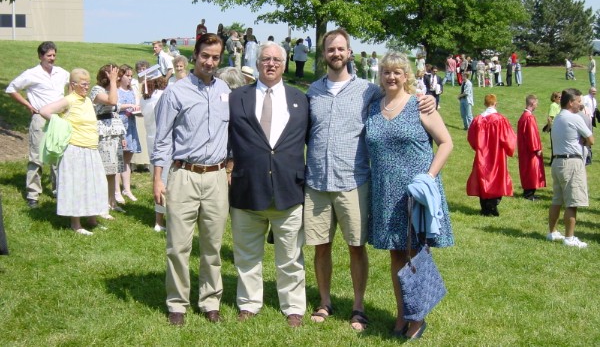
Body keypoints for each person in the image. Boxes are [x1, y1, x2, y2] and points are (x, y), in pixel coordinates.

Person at [304, 27, 435, 331]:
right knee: (321, 246)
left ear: (349, 53)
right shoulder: (312, 92)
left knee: (356, 247)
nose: (336, 54)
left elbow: (399, 93)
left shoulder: (367, 90)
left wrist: (425, 99)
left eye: (341, 49)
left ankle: (359, 307)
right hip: (317, 182)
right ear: (324, 54)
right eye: (330, 49)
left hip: (355, 180)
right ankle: (324, 302)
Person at [365, 52, 454, 340]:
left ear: (407, 76)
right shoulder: (373, 107)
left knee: (415, 254)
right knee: (396, 254)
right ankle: (402, 313)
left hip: (414, 191)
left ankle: (418, 318)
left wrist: (429, 177)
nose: (391, 77)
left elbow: (446, 143)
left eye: (397, 72)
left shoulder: (420, 105)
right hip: (385, 192)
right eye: (386, 72)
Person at [151, 33, 230, 326]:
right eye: (205, 56)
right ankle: (177, 304)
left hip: (216, 177)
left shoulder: (225, 90)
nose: (210, 62)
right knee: (177, 245)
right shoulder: (176, 92)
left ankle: (211, 301)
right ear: (195, 55)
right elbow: (162, 140)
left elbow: (230, 134)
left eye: (215, 57)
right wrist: (158, 179)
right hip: (183, 174)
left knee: (213, 245)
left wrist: (230, 169)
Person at [228, 42, 309, 327]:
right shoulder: (237, 97)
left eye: (276, 59)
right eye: (265, 59)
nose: (271, 64)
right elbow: (226, 137)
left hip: (289, 191)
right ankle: (249, 303)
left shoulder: (301, 99)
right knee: (247, 255)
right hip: (246, 189)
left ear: (284, 65)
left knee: (290, 257)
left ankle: (294, 307)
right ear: (258, 62)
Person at [39, 68, 108, 234]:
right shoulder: (69, 100)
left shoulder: (86, 100)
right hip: (75, 149)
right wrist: (61, 124)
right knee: (76, 185)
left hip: (91, 148)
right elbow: (44, 111)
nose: (86, 87)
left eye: (88, 84)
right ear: (73, 85)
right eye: (83, 85)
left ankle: (92, 218)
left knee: (94, 184)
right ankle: (76, 223)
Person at [5, 41, 70, 208]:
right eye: (49, 55)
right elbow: (11, 88)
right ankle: (33, 194)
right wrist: (28, 105)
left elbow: (72, 83)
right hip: (40, 117)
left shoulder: (61, 73)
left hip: (58, 118)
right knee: (37, 156)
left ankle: (59, 191)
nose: (52, 58)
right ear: (40, 56)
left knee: (58, 155)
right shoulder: (31, 73)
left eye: (54, 55)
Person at [547, 89, 594, 248]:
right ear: (570, 102)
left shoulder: (559, 117)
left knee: (557, 200)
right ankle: (569, 238)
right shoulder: (574, 118)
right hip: (571, 162)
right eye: (578, 101)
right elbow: (591, 139)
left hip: (557, 162)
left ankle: (552, 233)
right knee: (572, 202)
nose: (580, 104)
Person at [467, 94, 516, 216]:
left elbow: (471, 138)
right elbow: (508, 138)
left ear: (485, 103)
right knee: (497, 178)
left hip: (482, 155)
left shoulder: (477, 120)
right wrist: (509, 149)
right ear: (495, 103)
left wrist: (478, 147)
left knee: (482, 178)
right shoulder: (500, 120)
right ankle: (493, 205)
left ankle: (485, 207)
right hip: (497, 154)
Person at [90, 64, 126, 218]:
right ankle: (101, 204)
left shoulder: (112, 89)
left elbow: (116, 111)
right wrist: (113, 82)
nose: (118, 78)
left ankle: (112, 202)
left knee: (113, 171)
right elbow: (112, 101)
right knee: (104, 171)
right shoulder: (96, 90)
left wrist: (122, 136)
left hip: (114, 132)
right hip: (103, 134)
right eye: (115, 75)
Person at [140, 76, 168, 232]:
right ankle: (160, 220)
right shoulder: (161, 97)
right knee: (163, 180)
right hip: (163, 142)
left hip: (151, 140)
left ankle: (160, 220)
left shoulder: (144, 99)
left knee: (157, 179)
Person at [115, 65, 141, 204]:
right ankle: (116, 191)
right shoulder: (117, 91)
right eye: (128, 76)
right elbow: (115, 106)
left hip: (130, 126)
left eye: (131, 76)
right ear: (121, 76)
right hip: (120, 128)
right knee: (118, 160)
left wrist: (137, 108)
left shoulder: (132, 91)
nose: (130, 78)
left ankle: (127, 189)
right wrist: (129, 106)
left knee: (127, 160)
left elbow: (136, 104)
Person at [517, 95, 546, 201]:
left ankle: (530, 192)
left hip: (525, 148)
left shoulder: (524, 116)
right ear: (532, 103)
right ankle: (529, 194)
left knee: (528, 170)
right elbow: (531, 134)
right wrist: (537, 148)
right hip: (530, 149)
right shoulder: (528, 117)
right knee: (531, 170)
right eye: (536, 103)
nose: (537, 105)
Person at [546, 91, 562, 163]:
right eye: (559, 97)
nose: (560, 99)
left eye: (561, 97)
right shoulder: (553, 105)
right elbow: (550, 118)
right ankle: (553, 160)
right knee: (554, 144)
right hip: (554, 127)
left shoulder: (559, 106)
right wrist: (549, 127)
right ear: (554, 98)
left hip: (559, 127)